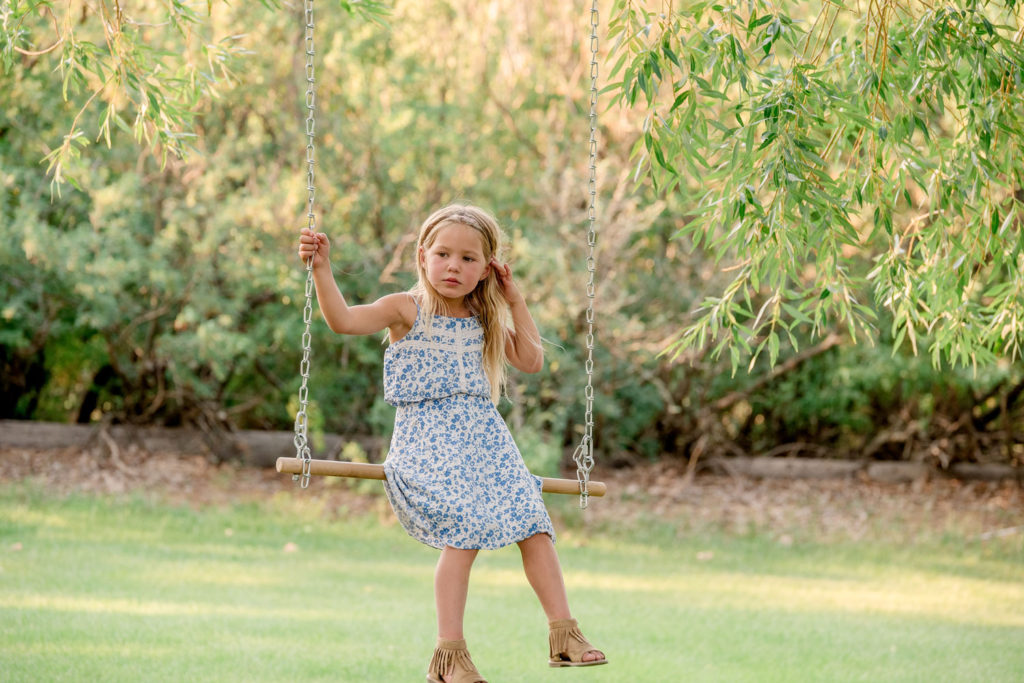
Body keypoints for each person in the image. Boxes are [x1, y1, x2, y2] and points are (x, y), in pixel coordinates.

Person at [298, 204, 606, 682]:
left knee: (534, 523)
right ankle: (450, 658)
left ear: (486, 270)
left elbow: (531, 360)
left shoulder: (484, 321)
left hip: (486, 441)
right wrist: (321, 269)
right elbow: (342, 320)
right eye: (443, 254)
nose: (453, 267)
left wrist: (515, 300)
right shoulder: (405, 309)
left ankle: (564, 634)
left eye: (468, 259)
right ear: (423, 256)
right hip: (428, 438)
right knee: (462, 535)